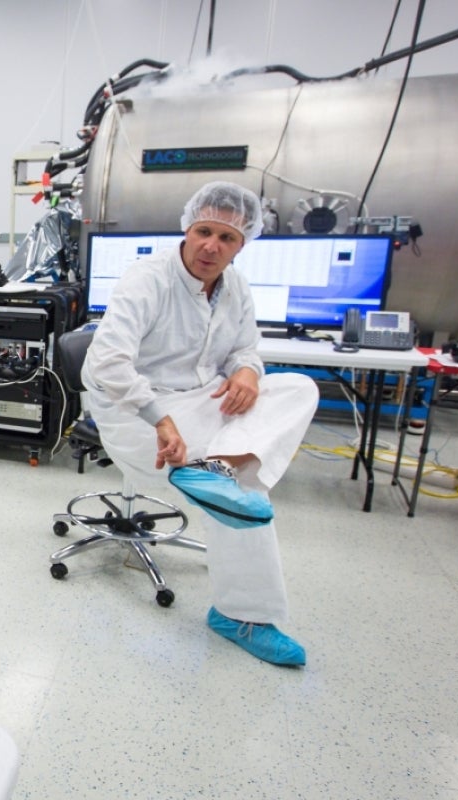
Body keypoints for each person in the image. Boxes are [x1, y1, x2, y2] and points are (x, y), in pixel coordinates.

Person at [84, 181, 319, 666]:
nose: (212, 246)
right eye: (203, 231)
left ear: (243, 244)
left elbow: (244, 348)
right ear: (187, 229)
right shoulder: (146, 278)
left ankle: (219, 468)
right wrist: (161, 419)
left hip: (202, 409)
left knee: (299, 388)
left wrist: (249, 373)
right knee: (250, 491)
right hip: (136, 411)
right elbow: (108, 363)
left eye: (227, 238)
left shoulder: (236, 288)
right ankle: (242, 614)